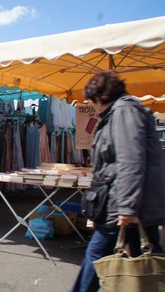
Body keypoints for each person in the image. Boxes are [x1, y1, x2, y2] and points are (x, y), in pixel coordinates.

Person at [69, 70, 165, 292]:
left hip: (122, 205)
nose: (93, 106)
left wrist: (127, 207)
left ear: (101, 97)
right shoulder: (123, 111)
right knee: (148, 262)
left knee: (98, 256)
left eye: (93, 101)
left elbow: (130, 160)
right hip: (131, 204)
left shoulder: (123, 112)